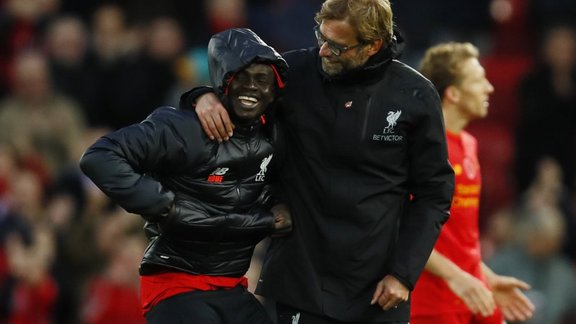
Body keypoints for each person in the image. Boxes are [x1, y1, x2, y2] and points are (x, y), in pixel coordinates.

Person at [191, 0, 455, 322]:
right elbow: (237, 97)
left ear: (372, 45)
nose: (323, 52)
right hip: (302, 279)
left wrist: (403, 273)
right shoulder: (293, 74)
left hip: (378, 288)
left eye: (337, 47)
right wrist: (201, 97)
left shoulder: (414, 94)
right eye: (321, 37)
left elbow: (435, 192)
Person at [79, 28, 292, 324]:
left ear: (275, 88)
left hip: (232, 286)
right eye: (241, 77)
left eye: (262, 80)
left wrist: (277, 204)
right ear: (224, 81)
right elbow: (99, 157)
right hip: (174, 286)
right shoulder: (184, 128)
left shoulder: (275, 133)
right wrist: (163, 205)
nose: (252, 88)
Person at [411, 42, 535, 324]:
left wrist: (486, 277)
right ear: (453, 93)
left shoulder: (469, 144)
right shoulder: (422, 149)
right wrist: (459, 279)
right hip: (432, 304)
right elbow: (403, 233)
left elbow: (459, 241)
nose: (489, 88)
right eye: (479, 80)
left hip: (473, 291)